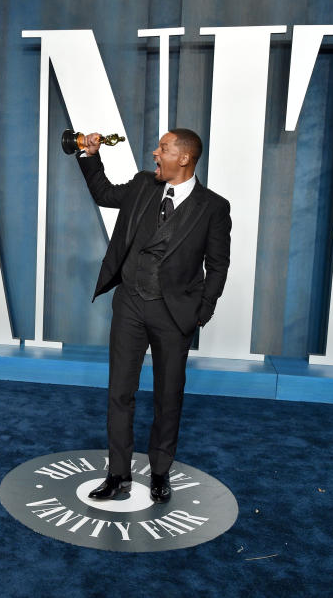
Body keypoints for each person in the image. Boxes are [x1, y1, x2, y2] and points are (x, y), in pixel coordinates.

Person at [77, 129, 231, 503]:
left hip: (174, 313)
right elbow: (103, 193)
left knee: (168, 395)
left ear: (184, 158)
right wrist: (89, 155)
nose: (154, 152)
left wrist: (201, 312)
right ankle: (118, 474)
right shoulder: (144, 184)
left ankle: (160, 472)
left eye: (163, 148)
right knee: (120, 392)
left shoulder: (213, 207)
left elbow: (218, 264)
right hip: (129, 303)